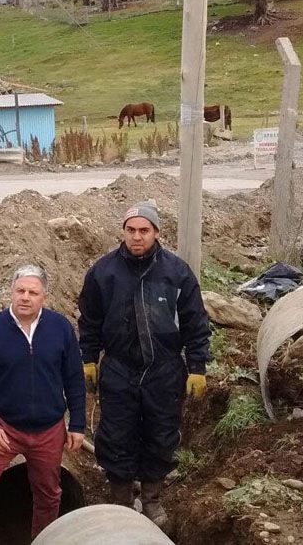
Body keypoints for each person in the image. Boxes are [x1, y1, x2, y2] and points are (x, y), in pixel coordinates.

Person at [78, 201, 210, 529]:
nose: (137, 237)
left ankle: (151, 497)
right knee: (116, 434)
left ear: (156, 233)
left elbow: (195, 321)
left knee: (161, 433)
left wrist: (197, 366)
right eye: (131, 231)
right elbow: (89, 320)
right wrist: (89, 360)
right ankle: (121, 499)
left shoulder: (176, 272)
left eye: (144, 231)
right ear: (123, 232)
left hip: (164, 370)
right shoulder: (103, 273)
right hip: (120, 367)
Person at [0, 265, 86, 544]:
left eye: (33, 292)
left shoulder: (60, 329)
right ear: (11, 293)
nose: (25, 297)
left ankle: (42, 540)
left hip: (49, 430)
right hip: (4, 428)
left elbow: (74, 377)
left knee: (49, 494)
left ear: (44, 298)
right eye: (20, 291)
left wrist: (77, 424)